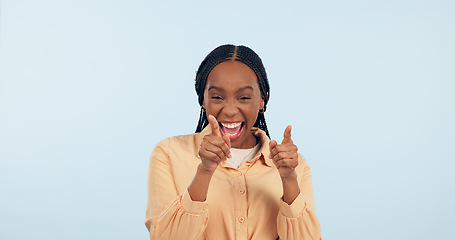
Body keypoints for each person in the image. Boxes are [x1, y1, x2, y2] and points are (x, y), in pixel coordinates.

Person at [145, 44, 322, 240]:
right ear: (203, 100)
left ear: (262, 100)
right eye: (217, 97)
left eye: (244, 97)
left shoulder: (296, 166)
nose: (230, 110)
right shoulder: (168, 154)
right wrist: (205, 171)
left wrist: (289, 180)